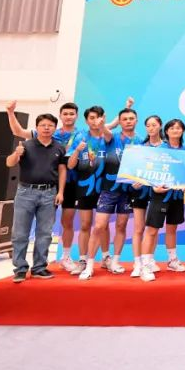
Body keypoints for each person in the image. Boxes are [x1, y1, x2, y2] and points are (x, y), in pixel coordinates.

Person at [7, 100, 80, 273]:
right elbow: (9, 162)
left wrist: (60, 192)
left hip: (50, 193)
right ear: (37, 128)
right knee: (20, 233)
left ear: (55, 128)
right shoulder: (26, 144)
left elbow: (62, 170)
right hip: (25, 192)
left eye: (50, 126)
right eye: (43, 125)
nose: (46, 128)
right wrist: (16, 153)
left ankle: (40, 267)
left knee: (45, 233)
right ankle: (20, 268)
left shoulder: (60, 147)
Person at [85, 106, 140, 276]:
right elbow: (105, 131)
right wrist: (102, 124)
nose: (128, 121)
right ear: (120, 122)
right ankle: (89, 265)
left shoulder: (140, 141)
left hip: (128, 191)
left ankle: (115, 261)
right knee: (99, 226)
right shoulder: (112, 137)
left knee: (121, 226)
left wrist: (140, 181)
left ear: (136, 120)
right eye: (125, 119)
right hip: (109, 189)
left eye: (131, 118)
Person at [67, 106, 113, 280]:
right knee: (85, 224)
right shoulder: (80, 137)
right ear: (86, 120)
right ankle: (82, 260)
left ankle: (106, 257)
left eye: (98, 117)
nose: (95, 121)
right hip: (85, 187)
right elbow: (70, 165)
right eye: (92, 118)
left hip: (105, 187)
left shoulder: (108, 137)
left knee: (103, 225)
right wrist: (77, 151)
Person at [139, 119, 185, 282]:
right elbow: (148, 171)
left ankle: (172, 260)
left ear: (183, 131)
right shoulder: (159, 149)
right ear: (166, 131)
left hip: (177, 196)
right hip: (159, 195)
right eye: (172, 128)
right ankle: (145, 265)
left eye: (179, 128)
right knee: (152, 231)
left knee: (172, 229)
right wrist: (154, 187)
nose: (175, 130)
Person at [129, 115, 167, 278]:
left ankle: (149, 259)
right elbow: (132, 171)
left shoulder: (166, 147)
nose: (151, 128)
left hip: (158, 193)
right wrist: (134, 182)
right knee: (139, 228)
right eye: (148, 125)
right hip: (140, 192)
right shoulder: (139, 147)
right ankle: (137, 263)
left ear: (160, 126)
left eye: (154, 125)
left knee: (153, 228)